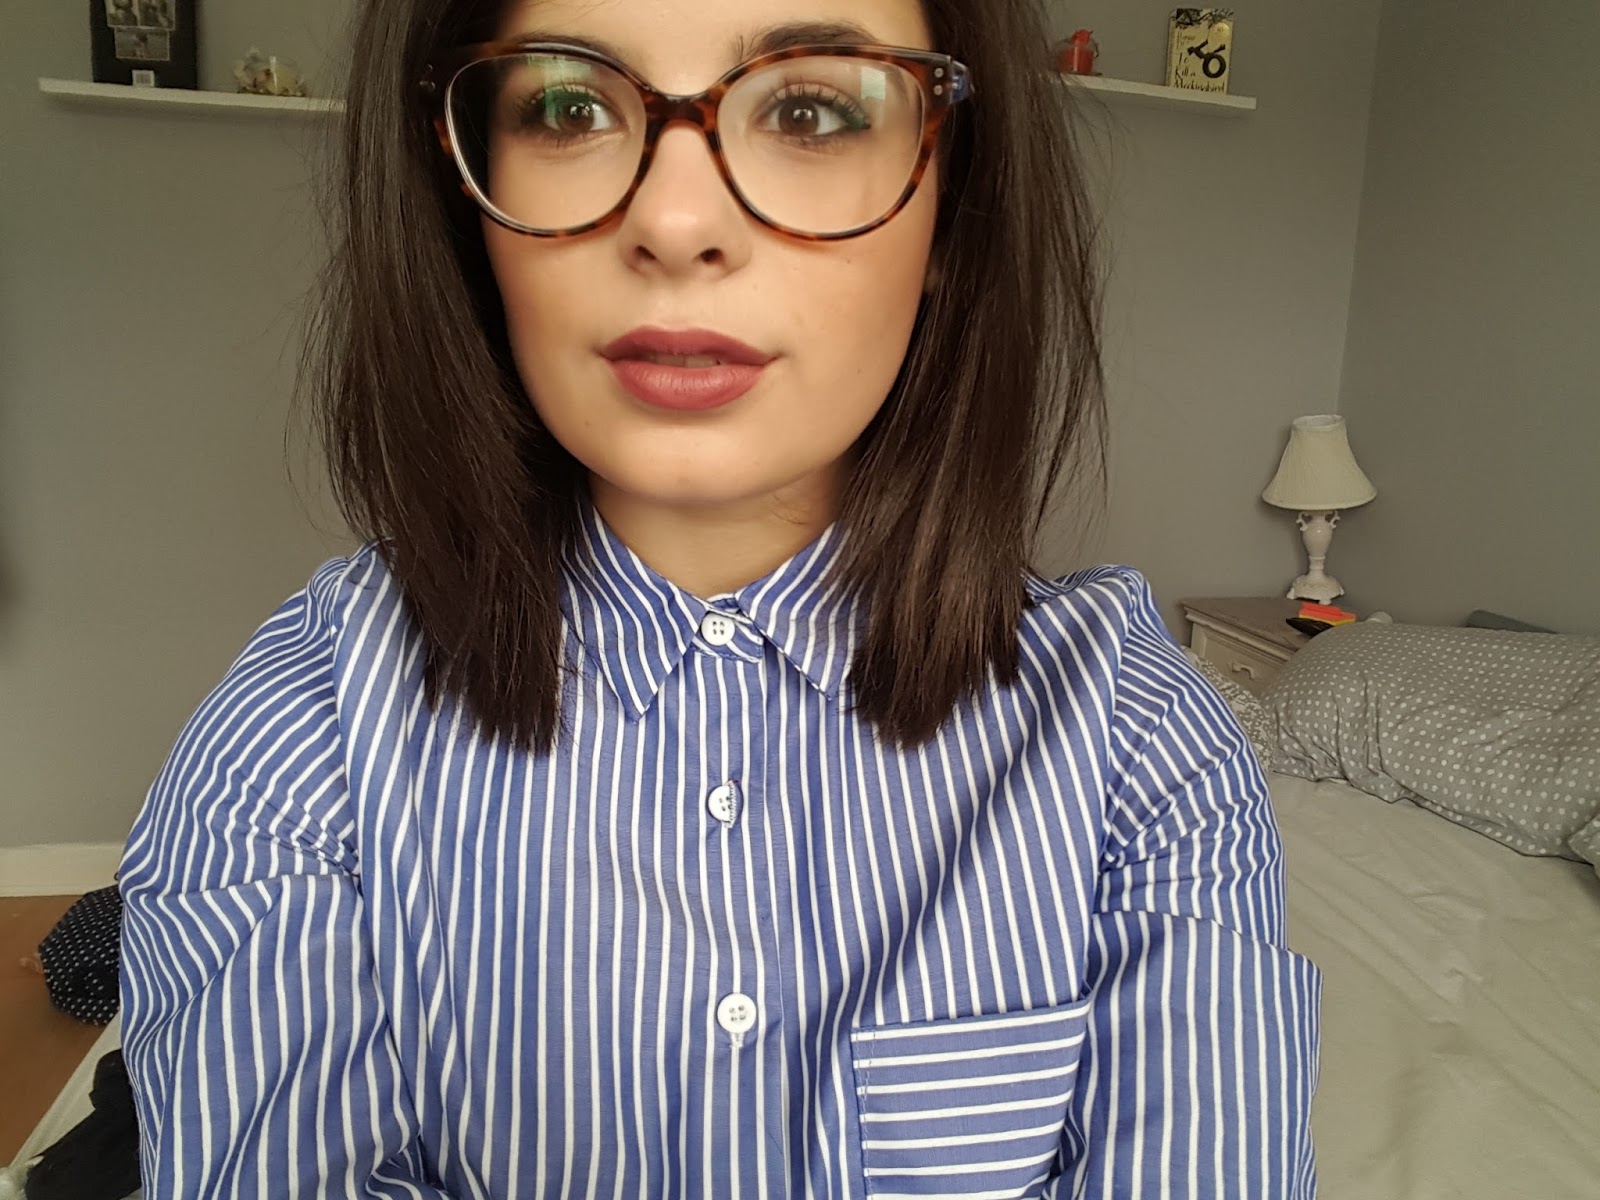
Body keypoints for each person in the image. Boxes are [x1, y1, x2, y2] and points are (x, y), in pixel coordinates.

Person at [116, 0, 1322, 1194]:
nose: (676, 222)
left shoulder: (1139, 748)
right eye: (568, 106)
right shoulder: (308, 726)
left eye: (811, 111)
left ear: (953, 206)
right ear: (468, 197)